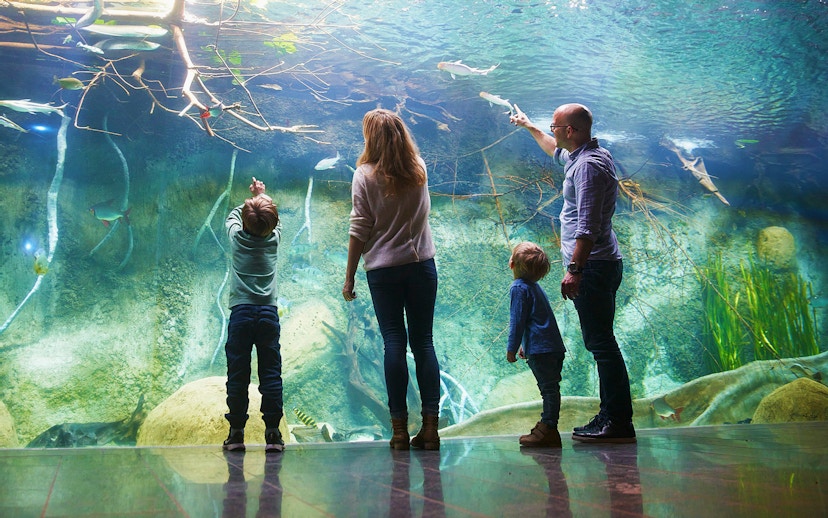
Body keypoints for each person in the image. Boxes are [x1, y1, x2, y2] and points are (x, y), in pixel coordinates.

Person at [510, 103, 635, 443]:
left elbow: (588, 225)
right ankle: (611, 415)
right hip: (597, 265)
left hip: (594, 267)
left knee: (602, 345)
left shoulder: (589, 167)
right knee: (601, 343)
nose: (551, 130)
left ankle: (618, 420)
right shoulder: (581, 156)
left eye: (554, 126)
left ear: (571, 130)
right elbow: (553, 150)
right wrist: (529, 127)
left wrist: (575, 269)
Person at [342, 108, 441, 451]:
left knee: (394, 343)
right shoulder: (419, 169)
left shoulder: (364, 175)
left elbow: (360, 227)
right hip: (422, 266)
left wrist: (350, 275)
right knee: (424, 342)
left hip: (384, 270)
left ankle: (399, 430)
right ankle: (431, 428)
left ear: (372, 138)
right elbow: (423, 212)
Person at [222, 177, 285, 453]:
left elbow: (232, 216)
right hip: (268, 314)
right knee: (270, 373)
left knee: (238, 374)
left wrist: (250, 201)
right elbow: (274, 221)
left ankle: (236, 433)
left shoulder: (236, 238)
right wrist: (263, 196)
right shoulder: (273, 240)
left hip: (241, 313)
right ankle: (273, 433)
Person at [506, 242, 566, 448]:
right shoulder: (534, 287)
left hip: (542, 350)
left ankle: (549, 428)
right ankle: (548, 426)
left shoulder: (518, 288)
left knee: (548, 389)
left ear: (512, 264)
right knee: (551, 388)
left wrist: (512, 348)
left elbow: (518, 320)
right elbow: (538, 320)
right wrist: (526, 345)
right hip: (553, 347)